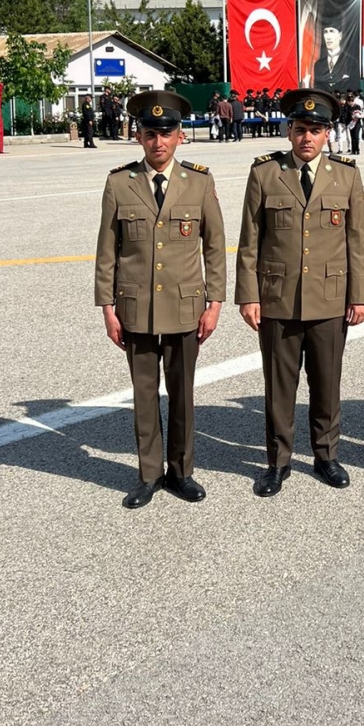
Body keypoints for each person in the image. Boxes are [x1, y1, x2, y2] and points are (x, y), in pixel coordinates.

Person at [235, 89, 364, 495]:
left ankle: (327, 456)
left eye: (315, 130)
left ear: (328, 134)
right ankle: (277, 462)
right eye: (299, 129)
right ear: (289, 131)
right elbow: (250, 240)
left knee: (326, 383)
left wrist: (360, 295)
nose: (306, 138)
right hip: (277, 298)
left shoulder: (346, 175)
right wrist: (248, 295)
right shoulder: (265, 173)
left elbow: (358, 241)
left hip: (330, 298)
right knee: (280, 387)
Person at [94, 91, 226, 509]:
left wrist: (215, 303)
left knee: (183, 393)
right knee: (144, 394)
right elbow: (107, 251)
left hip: (186, 307)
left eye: (166, 134)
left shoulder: (199, 182)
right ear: (139, 136)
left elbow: (215, 248)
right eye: (150, 134)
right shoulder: (120, 183)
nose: (158, 142)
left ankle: (181, 471)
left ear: (180, 136)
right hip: (135, 309)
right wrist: (107, 308)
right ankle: (149, 474)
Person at [314, 24, 362, 94]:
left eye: (332, 31)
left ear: (340, 35)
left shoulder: (351, 63)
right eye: (325, 32)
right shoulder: (318, 65)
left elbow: (355, 90)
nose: (328, 37)